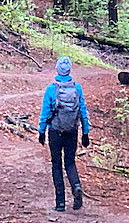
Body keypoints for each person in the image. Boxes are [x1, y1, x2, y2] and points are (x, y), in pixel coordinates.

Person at [37, 55, 90, 212]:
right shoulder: (77, 88)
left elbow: (45, 113)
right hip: (72, 131)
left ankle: (60, 203)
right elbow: (83, 111)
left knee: (56, 164)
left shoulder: (51, 89)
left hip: (55, 132)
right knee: (70, 162)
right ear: (69, 70)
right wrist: (85, 133)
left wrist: (41, 131)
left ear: (57, 69)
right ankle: (76, 186)